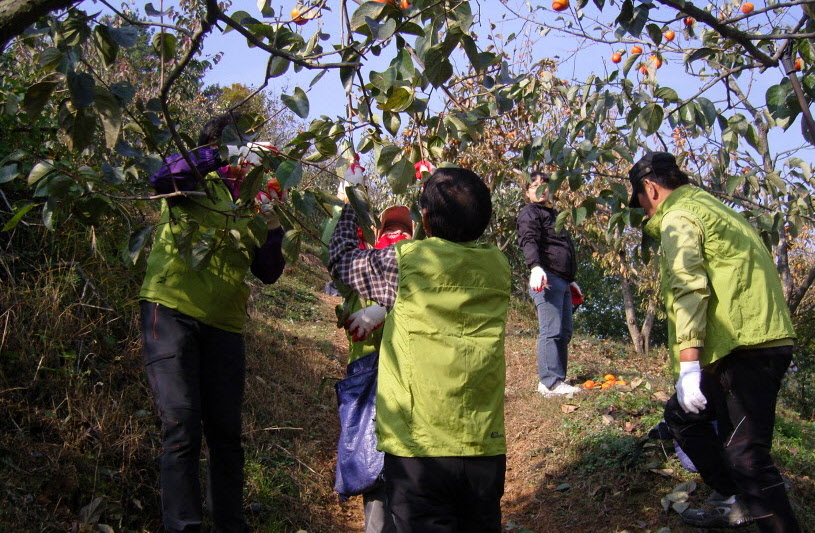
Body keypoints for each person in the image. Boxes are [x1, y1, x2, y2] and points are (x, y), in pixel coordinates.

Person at [329, 168, 511, 533]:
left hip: (419, 451)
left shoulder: (405, 260)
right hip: (484, 446)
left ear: (424, 219)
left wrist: (350, 201)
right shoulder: (499, 266)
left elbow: (342, 260)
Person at [627, 151, 800, 532]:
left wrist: (688, 366)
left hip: (744, 348)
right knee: (681, 418)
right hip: (749, 342)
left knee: (747, 457)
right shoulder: (714, 208)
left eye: (639, 200)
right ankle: (733, 500)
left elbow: (688, 287)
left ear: (650, 189)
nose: (643, 210)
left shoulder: (679, 217)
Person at [139, 112, 286, 533]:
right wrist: (218, 156)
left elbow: (268, 271)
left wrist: (272, 224)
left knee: (225, 435)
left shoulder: (253, 198)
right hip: (170, 310)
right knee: (182, 425)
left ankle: (231, 525)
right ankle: (183, 527)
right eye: (240, 145)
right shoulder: (195, 178)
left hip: (224, 324)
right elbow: (160, 178)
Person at [337, 205, 413, 533]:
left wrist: (387, 308)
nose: (397, 233)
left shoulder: (417, 273)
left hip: (408, 377)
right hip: (367, 377)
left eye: (404, 228)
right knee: (373, 469)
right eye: (390, 228)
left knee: (406, 469)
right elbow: (337, 248)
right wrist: (346, 206)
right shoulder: (360, 271)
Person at [516, 171, 582, 396]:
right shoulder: (530, 212)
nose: (541, 189)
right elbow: (528, 239)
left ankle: (557, 380)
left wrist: (571, 280)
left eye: (545, 184)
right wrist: (535, 267)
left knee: (564, 331)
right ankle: (549, 382)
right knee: (551, 329)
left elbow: (561, 247)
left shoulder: (554, 215)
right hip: (547, 277)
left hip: (562, 280)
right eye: (534, 185)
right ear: (528, 192)